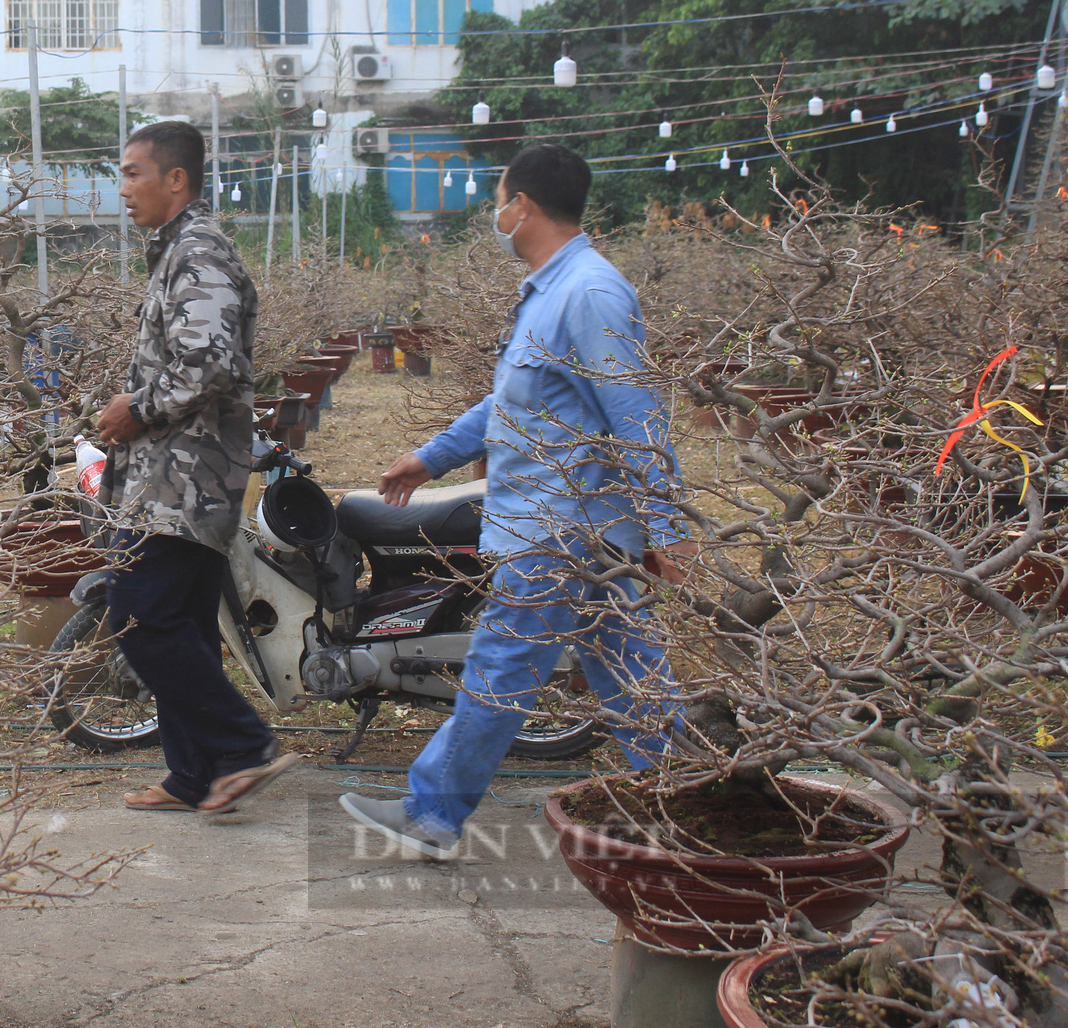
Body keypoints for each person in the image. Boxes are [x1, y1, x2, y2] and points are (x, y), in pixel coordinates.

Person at [339, 143, 687, 859]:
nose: (493, 211)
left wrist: (668, 525)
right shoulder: (551, 292)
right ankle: (692, 797)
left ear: (521, 206)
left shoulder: (590, 293)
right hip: (566, 530)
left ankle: (432, 814)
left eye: (498, 198)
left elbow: (637, 413)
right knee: (633, 675)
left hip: (564, 532)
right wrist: (429, 456)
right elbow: (513, 402)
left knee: (499, 672)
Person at [93, 120, 299, 815]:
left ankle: (243, 744)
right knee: (180, 621)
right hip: (175, 476)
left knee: (139, 618)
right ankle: (195, 773)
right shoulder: (178, 251)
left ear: (174, 179)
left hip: (183, 481)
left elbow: (212, 363)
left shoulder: (199, 251)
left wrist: (137, 410)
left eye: (131, 172)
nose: (122, 189)